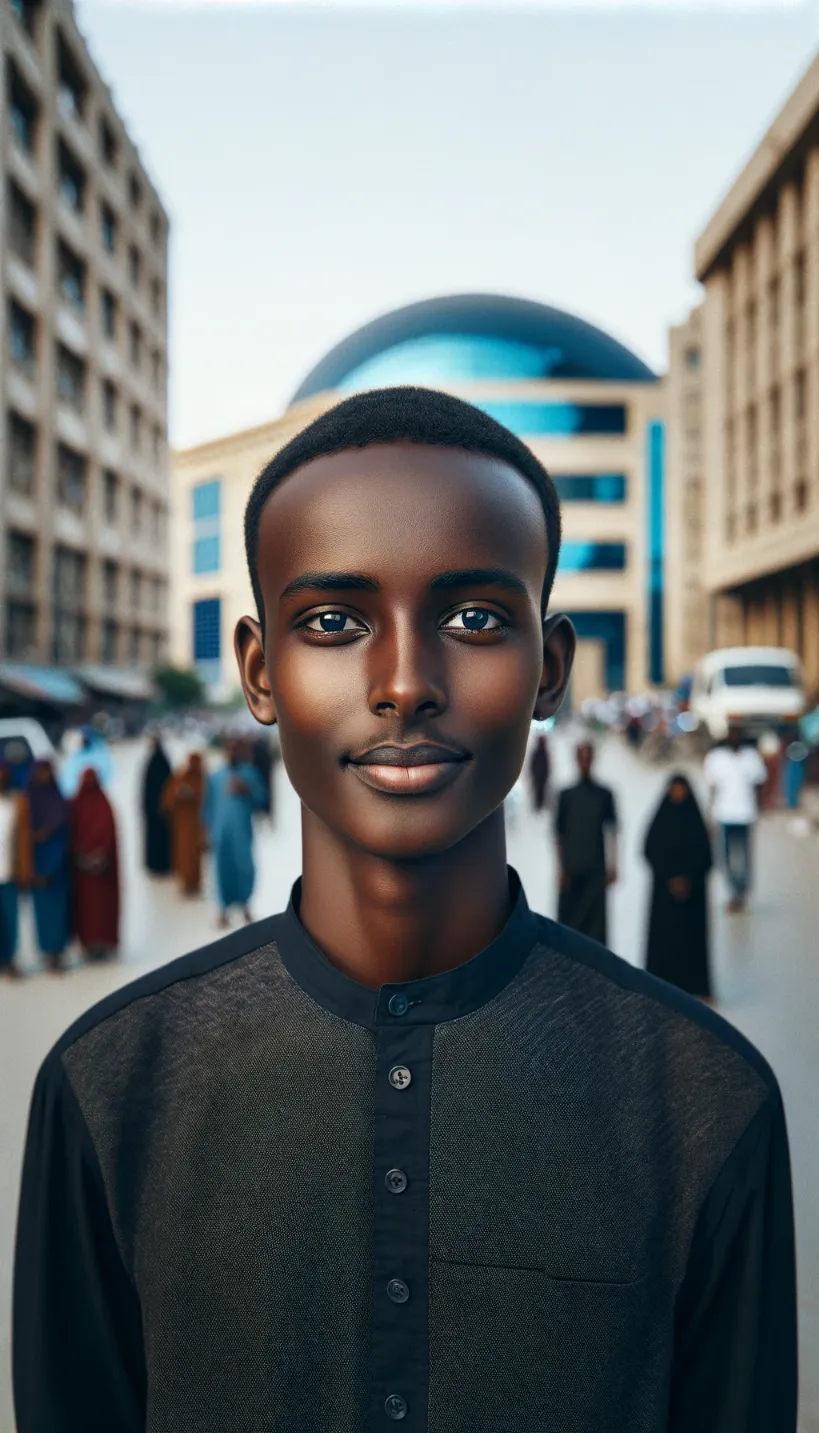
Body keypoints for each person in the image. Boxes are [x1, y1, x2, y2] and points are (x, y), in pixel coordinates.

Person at [14, 387, 796, 1431]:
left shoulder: (701, 1103)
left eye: (473, 617)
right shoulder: (113, 1088)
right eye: (333, 621)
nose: (403, 682)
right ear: (260, 670)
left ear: (549, 666)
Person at [644, 773, 713, 1003]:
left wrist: (688, 878)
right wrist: (669, 878)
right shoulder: (661, 819)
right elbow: (649, 849)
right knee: (666, 940)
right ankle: (659, 987)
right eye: (674, 789)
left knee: (692, 941)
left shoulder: (695, 820)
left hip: (693, 893)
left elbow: (706, 856)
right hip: (665, 892)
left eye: (681, 789)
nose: (678, 794)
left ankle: (698, 986)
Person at [555, 740, 618, 945]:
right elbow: (559, 834)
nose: (584, 763)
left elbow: (613, 831)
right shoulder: (566, 796)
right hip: (572, 866)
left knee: (596, 925)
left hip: (595, 866)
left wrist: (613, 865)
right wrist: (561, 869)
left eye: (587, 758)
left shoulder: (604, 795)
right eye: (581, 758)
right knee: (570, 924)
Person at [203, 737, 267, 928]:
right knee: (222, 868)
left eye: (234, 749)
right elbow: (208, 807)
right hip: (220, 832)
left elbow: (262, 799)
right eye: (228, 749)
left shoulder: (249, 774)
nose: (231, 753)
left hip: (242, 831)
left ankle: (246, 905)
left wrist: (246, 789)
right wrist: (205, 833)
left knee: (244, 866)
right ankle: (223, 909)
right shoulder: (215, 777)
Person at [704, 724, 767, 913]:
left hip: (745, 814)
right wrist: (709, 813)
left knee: (744, 856)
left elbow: (759, 784)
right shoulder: (716, 758)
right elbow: (712, 787)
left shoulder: (751, 757)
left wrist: (760, 807)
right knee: (725, 858)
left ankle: (741, 891)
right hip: (724, 814)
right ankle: (733, 891)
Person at [70, 768, 120, 961]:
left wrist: (101, 855)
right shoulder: (75, 804)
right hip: (83, 870)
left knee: (102, 908)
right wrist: (81, 856)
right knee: (87, 909)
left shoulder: (104, 804)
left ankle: (104, 942)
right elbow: (72, 832)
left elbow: (109, 833)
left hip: (102, 868)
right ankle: (89, 944)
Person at [26, 759, 71, 974]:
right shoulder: (28, 796)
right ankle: (47, 954)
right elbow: (23, 832)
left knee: (58, 911)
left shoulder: (56, 794)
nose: (45, 775)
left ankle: (58, 954)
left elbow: (62, 825)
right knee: (43, 914)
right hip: (37, 864)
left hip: (58, 864)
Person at [0, 760, 33, 980]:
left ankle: (10, 960)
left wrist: (24, 869)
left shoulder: (17, 803)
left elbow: (24, 838)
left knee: (10, 920)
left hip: (9, 873)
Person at [160, 751, 205, 896]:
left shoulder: (203, 778)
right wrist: (178, 795)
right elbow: (167, 798)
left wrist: (193, 795)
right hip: (182, 824)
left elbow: (208, 799)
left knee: (195, 856)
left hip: (197, 824)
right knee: (183, 853)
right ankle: (186, 883)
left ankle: (195, 883)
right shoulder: (180, 777)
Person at [141, 734, 172, 875]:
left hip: (158, 811)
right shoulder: (158, 762)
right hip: (156, 811)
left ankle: (160, 865)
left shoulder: (158, 762)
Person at [527, 731, 551, 811]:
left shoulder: (542, 752)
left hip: (541, 776)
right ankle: (538, 805)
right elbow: (533, 764)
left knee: (541, 790)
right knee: (538, 790)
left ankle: (540, 804)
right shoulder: (540, 752)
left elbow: (546, 764)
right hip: (538, 776)